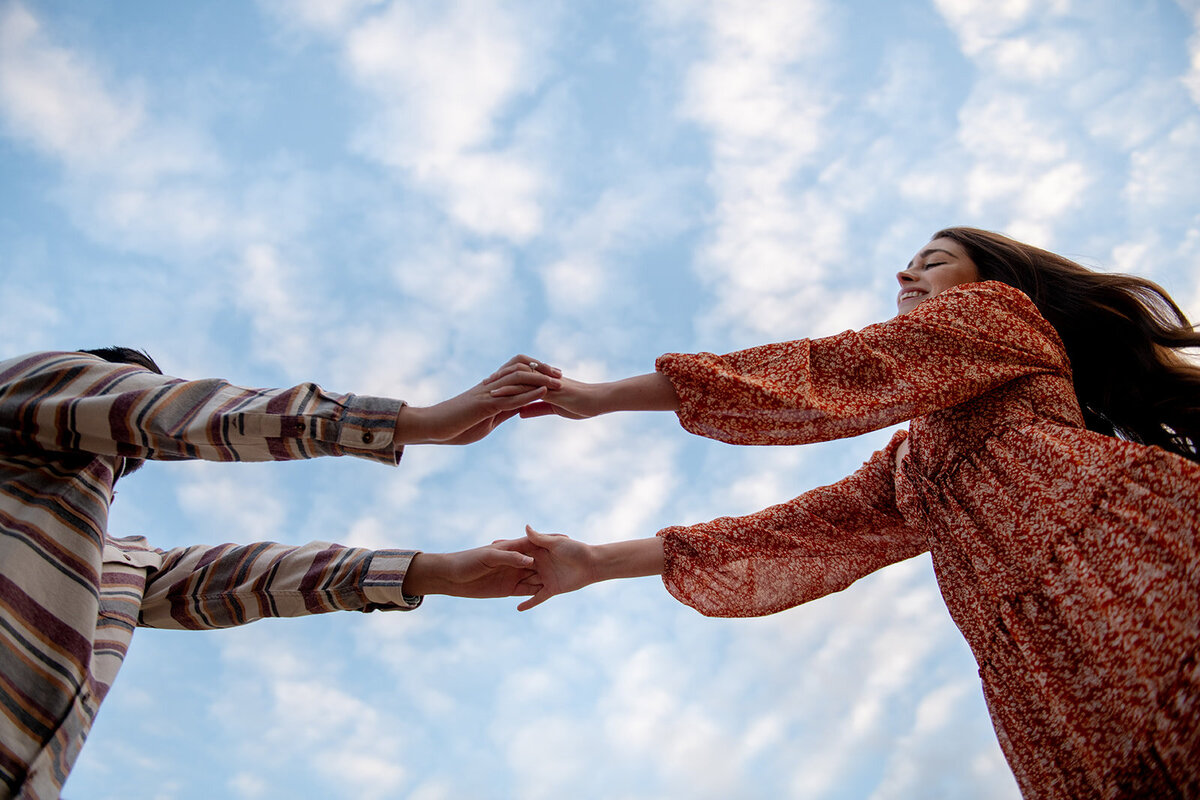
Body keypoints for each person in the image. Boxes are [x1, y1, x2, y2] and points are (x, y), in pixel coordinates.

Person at [515, 227, 1200, 799]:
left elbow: (839, 371)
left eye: (933, 260)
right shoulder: (913, 466)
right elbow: (792, 535)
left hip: (1124, 551)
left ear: (989, 273)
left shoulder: (996, 313)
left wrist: (601, 396)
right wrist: (593, 562)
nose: (905, 271)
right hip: (1044, 669)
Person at [0, 347, 559, 799]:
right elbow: (169, 412)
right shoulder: (26, 382)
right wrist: (417, 422)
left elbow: (248, 579)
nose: (128, 459)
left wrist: (434, 573)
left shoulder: (114, 563)